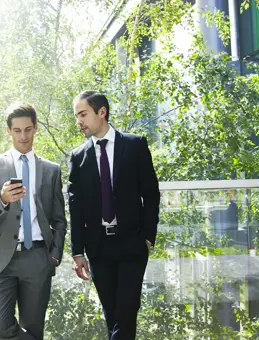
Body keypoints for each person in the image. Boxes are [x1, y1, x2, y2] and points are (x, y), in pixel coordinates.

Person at [67, 90, 160, 339]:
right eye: (76, 116)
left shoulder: (135, 145)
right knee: (113, 318)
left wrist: (148, 236)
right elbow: (75, 208)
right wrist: (77, 251)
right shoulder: (77, 157)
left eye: (83, 114)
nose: (79, 121)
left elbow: (151, 193)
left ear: (102, 112)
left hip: (132, 243)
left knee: (127, 312)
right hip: (99, 248)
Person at [0, 102, 67, 340]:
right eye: (17, 130)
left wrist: (54, 255)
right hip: (0, 262)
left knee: (34, 329)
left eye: (28, 129)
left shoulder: (51, 170)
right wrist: (2, 198)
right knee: (0, 328)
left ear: (36, 128)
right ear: (8, 131)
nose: (23, 136)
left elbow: (59, 218)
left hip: (38, 257)